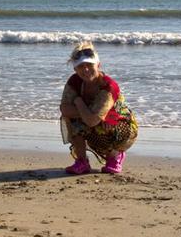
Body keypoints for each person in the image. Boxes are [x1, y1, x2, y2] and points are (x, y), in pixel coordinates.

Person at [59, 42, 138, 174]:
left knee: (105, 126)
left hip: (119, 123)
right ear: (75, 69)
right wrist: (88, 112)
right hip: (92, 117)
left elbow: (91, 121)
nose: (85, 70)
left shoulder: (108, 86)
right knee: (69, 119)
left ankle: (115, 156)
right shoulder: (74, 81)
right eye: (81, 66)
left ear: (98, 65)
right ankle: (82, 161)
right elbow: (64, 109)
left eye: (89, 65)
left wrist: (77, 101)